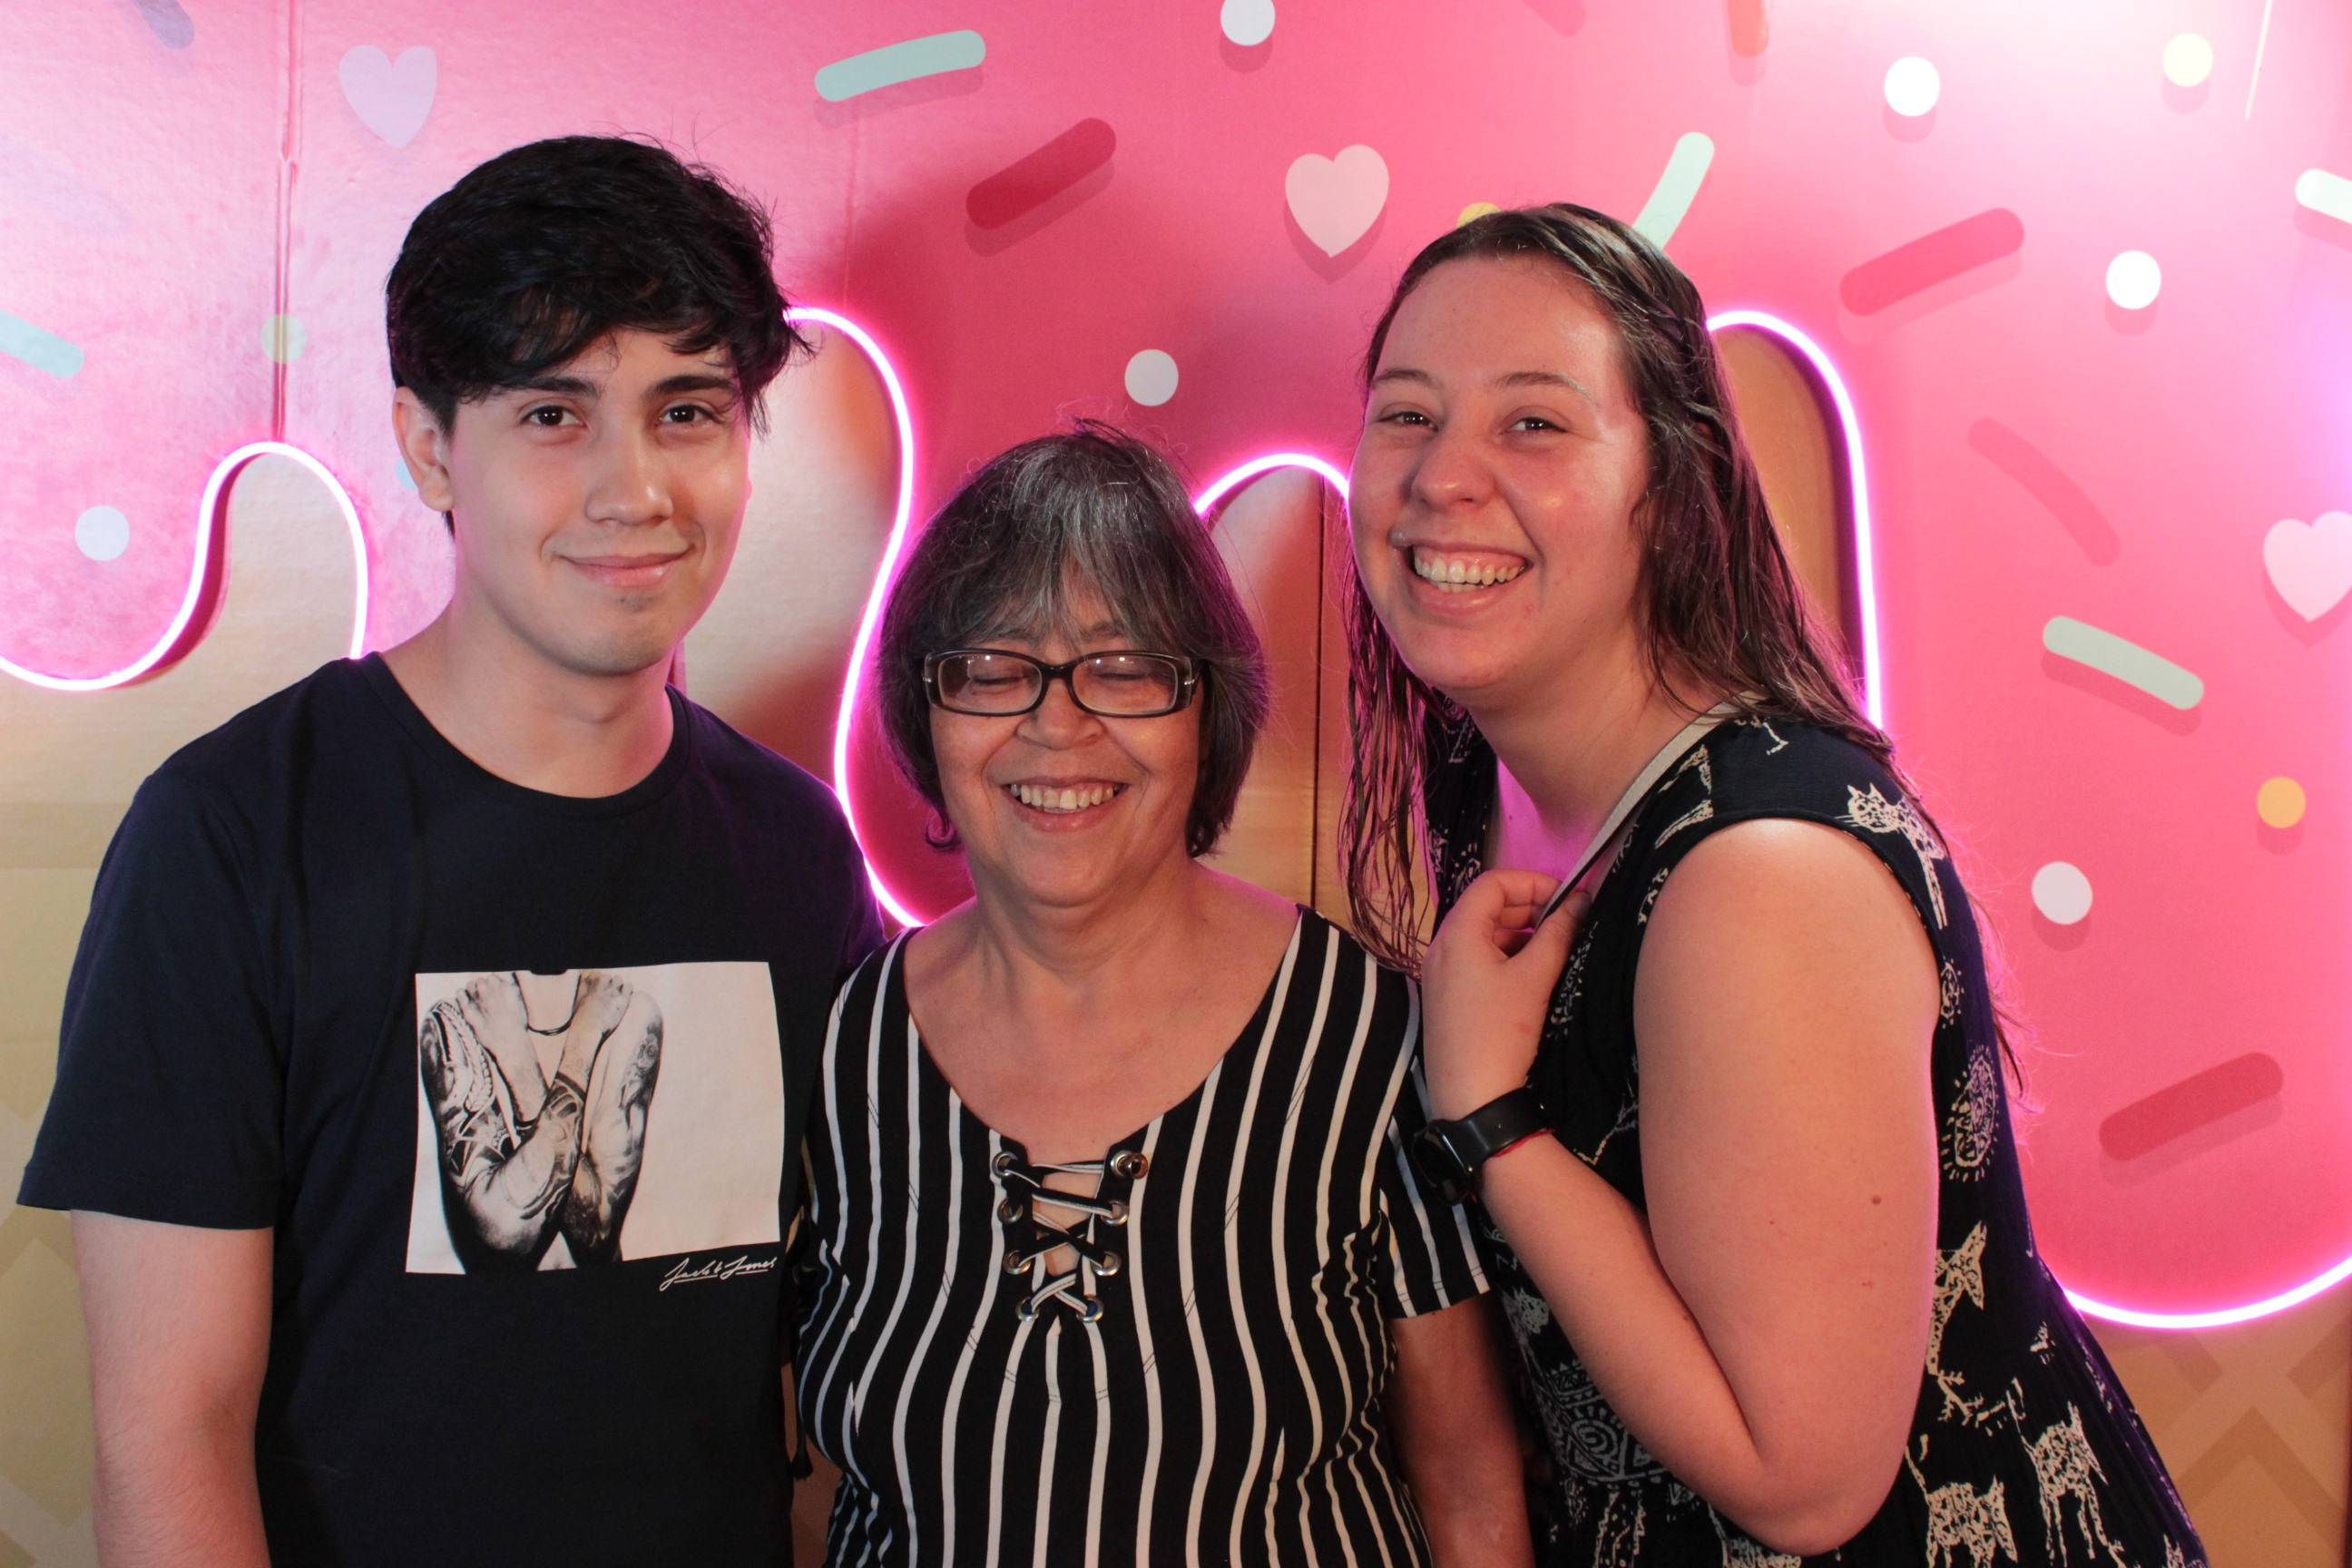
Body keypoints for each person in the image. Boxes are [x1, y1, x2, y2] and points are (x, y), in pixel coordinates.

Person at [17, 135, 880, 1565]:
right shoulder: (233, 835)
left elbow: (807, 1366)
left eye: (686, 410)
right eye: (553, 414)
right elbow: (168, 1439)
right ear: (429, 446)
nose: (634, 490)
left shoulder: (794, 850)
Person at [1340, 204, 2206, 1565]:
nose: (1442, 475)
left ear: (1671, 484)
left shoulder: (1759, 876)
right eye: (1406, 414)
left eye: (1535, 423)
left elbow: (1800, 1481)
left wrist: (1495, 1127)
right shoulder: (1494, 795)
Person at [793, 424, 1532, 1566]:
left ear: (1206, 709)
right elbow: (814, 1480)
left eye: (1125, 666)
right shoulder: (848, 1045)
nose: (1057, 725)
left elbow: (1468, 1486)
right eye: (992, 668)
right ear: (924, 708)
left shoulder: (1360, 1034)